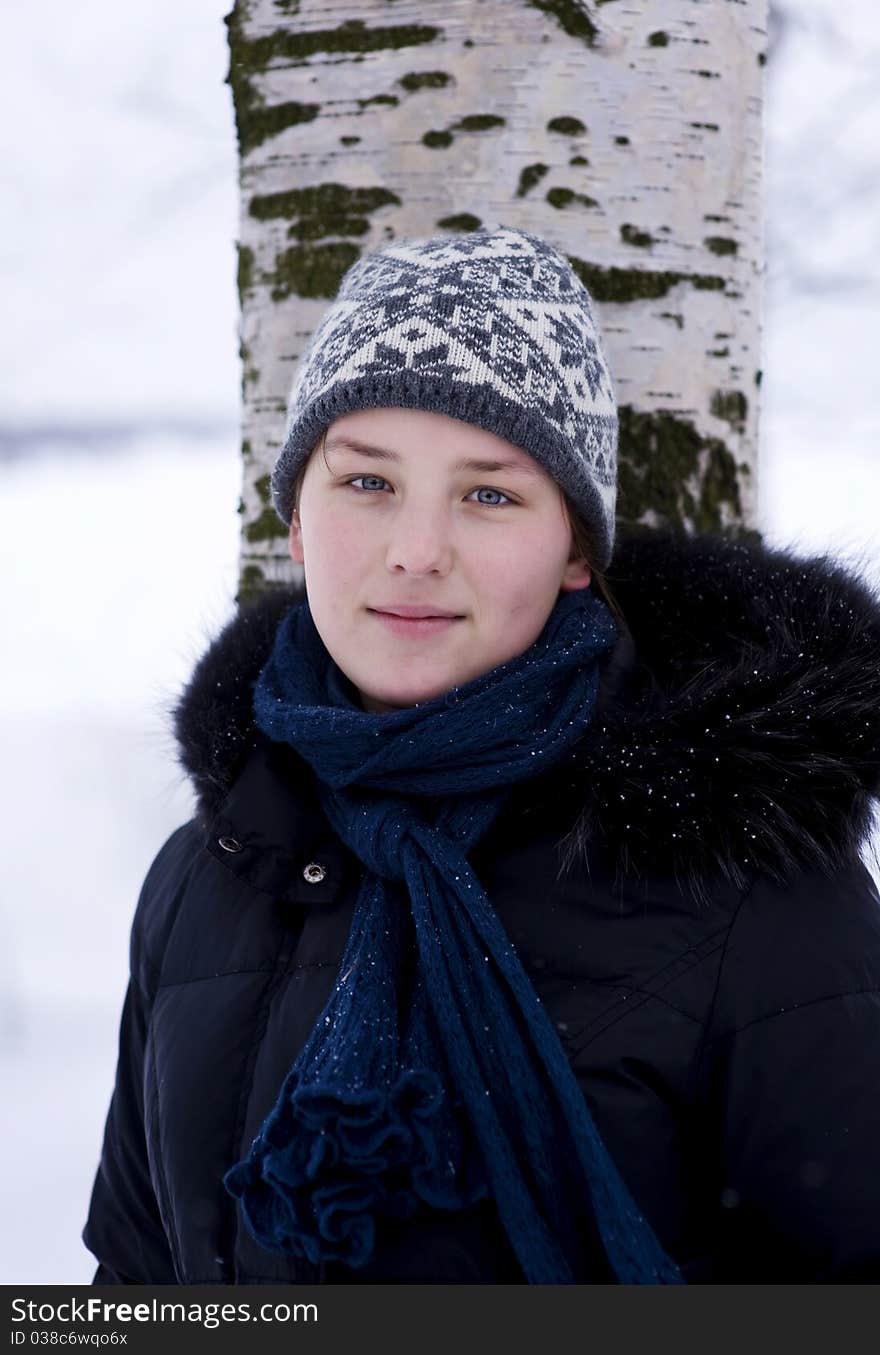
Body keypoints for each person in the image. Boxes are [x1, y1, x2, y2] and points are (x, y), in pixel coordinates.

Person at [83, 225, 880, 1285]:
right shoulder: (219, 861)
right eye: (367, 483)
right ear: (297, 524)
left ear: (576, 553)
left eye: (489, 493)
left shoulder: (745, 882)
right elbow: (136, 1279)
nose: (416, 548)